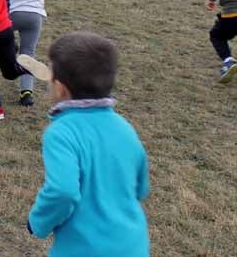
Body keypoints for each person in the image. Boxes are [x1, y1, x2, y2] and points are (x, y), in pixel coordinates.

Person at [27, 32, 150, 257]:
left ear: (60, 88)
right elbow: (141, 188)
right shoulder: (124, 127)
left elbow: (63, 191)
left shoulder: (61, 132)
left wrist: (37, 222)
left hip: (85, 248)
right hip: (133, 246)